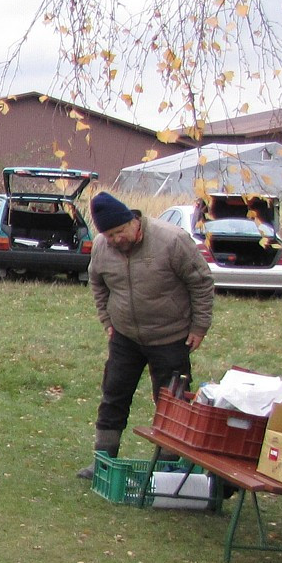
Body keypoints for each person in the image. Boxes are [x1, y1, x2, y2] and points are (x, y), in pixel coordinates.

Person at [78, 191, 213, 479]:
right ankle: (102, 462)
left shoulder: (171, 240)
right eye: (109, 235)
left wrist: (199, 327)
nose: (115, 239)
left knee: (172, 404)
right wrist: (107, 320)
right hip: (125, 337)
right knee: (113, 396)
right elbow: (97, 283)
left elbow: (201, 283)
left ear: (133, 221)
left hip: (171, 337)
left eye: (119, 232)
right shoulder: (101, 246)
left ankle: (167, 469)